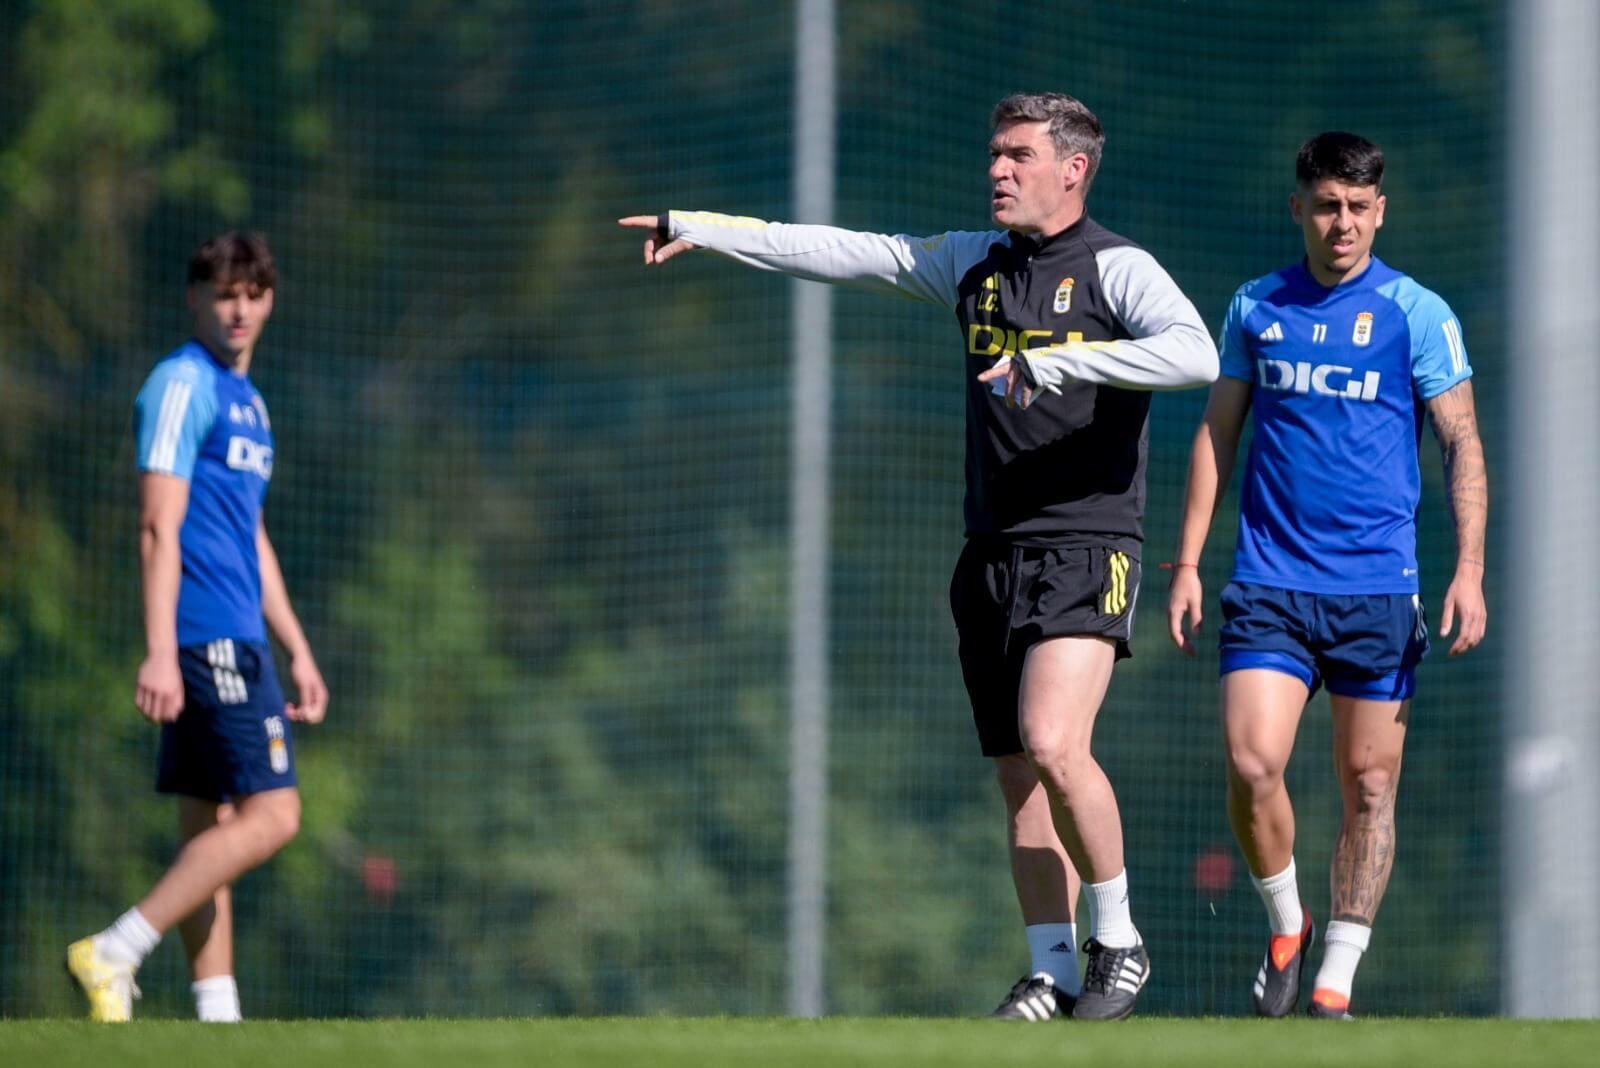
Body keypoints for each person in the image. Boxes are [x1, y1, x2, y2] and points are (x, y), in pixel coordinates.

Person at [621, 92, 1217, 1021]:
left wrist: (1059, 361)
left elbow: (1194, 354)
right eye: (994, 153)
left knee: (1059, 744)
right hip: (989, 552)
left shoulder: (1118, 268)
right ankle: (1052, 969)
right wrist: (704, 228)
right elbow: (840, 250)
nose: (998, 170)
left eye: (1018, 155)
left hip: (1086, 544)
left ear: (1074, 167)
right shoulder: (972, 264)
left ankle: (1122, 941)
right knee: (1020, 776)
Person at [1166, 132, 1487, 1019]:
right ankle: (1286, 921)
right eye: (1325, 205)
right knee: (1251, 759)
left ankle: (1335, 985)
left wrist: (1469, 570)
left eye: (1357, 207)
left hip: (1380, 591)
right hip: (1271, 582)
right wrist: (1188, 562)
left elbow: (1461, 441)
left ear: (1380, 210)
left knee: (1370, 785)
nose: (1341, 222)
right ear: (1298, 207)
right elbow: (1217, 433)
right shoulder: (1256, 306)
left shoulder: (1417, 313)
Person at [67, 232, 328, 1022]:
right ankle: (117, 947)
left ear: (270, 300)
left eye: (252, 294)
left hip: (242, 634)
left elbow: (251, 534)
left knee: (208, 833)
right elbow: (158, 527)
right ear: (194, 299)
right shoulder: (182, 384)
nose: (239, 309)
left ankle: (217, 1022)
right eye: (223, 294)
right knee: (275, 816)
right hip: (206, 636)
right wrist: (159, 652)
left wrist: (298, 644)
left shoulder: (249, 400)